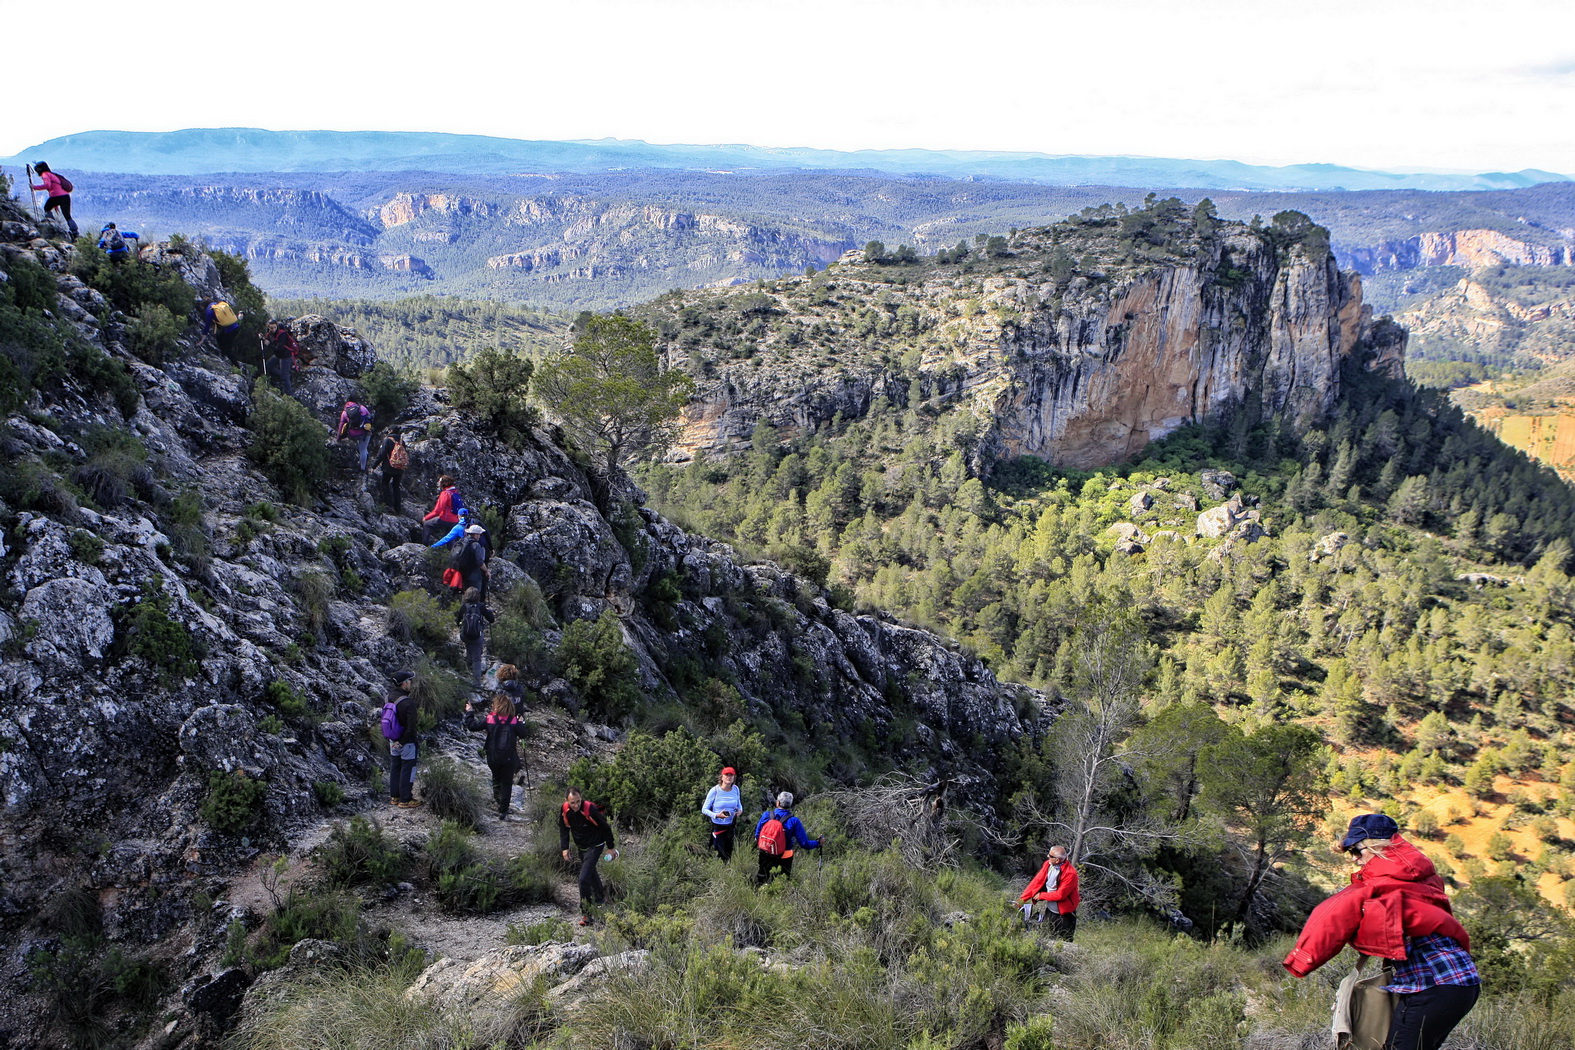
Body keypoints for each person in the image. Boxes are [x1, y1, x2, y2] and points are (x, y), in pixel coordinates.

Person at [1284, 814, 1478, 1050]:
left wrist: (1301, 960)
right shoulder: (1420, 878)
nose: (1355, 860)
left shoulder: (1379, 885)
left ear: (1376, 846)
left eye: (1356, 850)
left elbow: (1331, 916)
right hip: (1458, 981)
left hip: (1434, 986)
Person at [559, 787, 616, 925]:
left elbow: (605, 827)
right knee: (590, 872)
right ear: (567, 801)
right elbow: (563, 828)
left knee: (583, 879)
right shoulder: (565, 809)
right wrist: (565, 848)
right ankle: (600, 898)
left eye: (578, 801)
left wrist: (611, 848)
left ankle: (587, 914)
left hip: (596, 845)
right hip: (582, 846)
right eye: (572, 803)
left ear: (581, 798)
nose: (576, 805)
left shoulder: (590, 809)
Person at [463, 691, 524, 820]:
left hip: (493, 756)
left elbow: (472, 726)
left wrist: (469, 712)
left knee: (496, 779)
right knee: (507, 783)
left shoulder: (490, 719)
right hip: (509, 757)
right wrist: (522, 722)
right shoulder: (513, 721)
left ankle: (498, 802)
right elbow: (524, 734)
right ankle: (503, 811)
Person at [754, 791, 820, 886]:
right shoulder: (794, 821)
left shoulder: (766, 815)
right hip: (784, 856)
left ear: (778, 803)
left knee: (762, 878)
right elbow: (805, 844)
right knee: (781, 882)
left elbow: (757, 835)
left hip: (765, 852)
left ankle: (759, 892)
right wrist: (818, 843)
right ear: (790, 805)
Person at [1017, 844, 1080, 940]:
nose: (1047, 857)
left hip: (1065, 915)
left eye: (1050, 856)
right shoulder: (1048, 865)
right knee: (1047, 937)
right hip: (1050, 912)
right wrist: (1021, 901)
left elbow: (1060, 895)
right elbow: (1036, 882)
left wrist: (1041, 895)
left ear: (1058, 860)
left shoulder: (1070, 873)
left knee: (1064, 941)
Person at [384, 669, 421, 809]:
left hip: (392, 740)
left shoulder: (387, 698)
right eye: (410, 681)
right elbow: (411, 728)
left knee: (395, 768)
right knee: (408, 769)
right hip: (407, 742)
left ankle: (394, 797)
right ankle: (405, 799)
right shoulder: (408, 702)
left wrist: (396, 742)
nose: (411, 683)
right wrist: (403, 741)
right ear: (404, 683)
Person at [701, 767, 745, 863]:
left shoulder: (736, 789)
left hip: (731, 826)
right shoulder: (715, 790)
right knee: (718, 852)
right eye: (726, 775)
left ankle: (727, 871)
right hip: (718, 826)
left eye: (731, 775)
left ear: (734, 777)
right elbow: (704, 809)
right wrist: (717, 815)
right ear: (722, 777)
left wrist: (740, 810)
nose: (729, 777)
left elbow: (738, 803)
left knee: (728, 852)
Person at [455, 586, 495, 686]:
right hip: (477, 636)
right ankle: (477, 683)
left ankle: (468, 664)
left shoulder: (464, 606)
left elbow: (457, 621)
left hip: (465, 636)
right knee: (477, 659)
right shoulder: (481, 606)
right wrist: (489, 611)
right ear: (478, 596)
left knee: (469, 647)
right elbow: (491, 620)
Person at [28, 162, 77, 239]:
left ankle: (51, 225)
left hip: (56, 196)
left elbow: (48, 185)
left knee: (47, 208)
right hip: (66, 196)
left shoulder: (45, 174)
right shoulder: (52, 174)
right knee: (67, 216)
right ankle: (75, 232)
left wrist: (34, 187)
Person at [368, 429, 408, 510]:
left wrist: (373, 466)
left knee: (385, 484)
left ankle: (389, 505)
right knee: (396, 486)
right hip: (399, 468)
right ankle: (398, 507)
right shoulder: (401, 441)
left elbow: (381, 454)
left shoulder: (387, 440)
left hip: (388, 467)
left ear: (390, 431)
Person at [261, 320, 301, 397]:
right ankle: (284, 374)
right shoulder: (270, 334)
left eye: (274, 327)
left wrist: (269, 344)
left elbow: (279, 348)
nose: (273, 329)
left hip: (285, 356)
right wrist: (262, 338)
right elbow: (268, 340)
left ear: (277, 326)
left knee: (284, 377)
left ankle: (290, 395)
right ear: (268, 327)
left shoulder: (282, 334)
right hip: (278, 355)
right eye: (271, 328)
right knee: (267, 366)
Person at [422, 475, 466, 543]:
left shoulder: (445, 494)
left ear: (444, 483)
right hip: (455, 520)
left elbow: (437, 511)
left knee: (427, 524)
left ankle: (424, 546)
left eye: (440, 481)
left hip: (445, 519)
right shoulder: (455, 492)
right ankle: (451, 552)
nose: (438, 483)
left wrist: (426, 518)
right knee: (450, 538)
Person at [337, 399, 373, 472]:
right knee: (363, 449)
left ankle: (363, 458)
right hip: (364, 432)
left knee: (360, 448)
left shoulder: (344, 413)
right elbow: (370, 418)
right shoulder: (362, 408)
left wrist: (338, 437)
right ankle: (363, 468)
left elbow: (341, 425)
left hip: (352, 434)